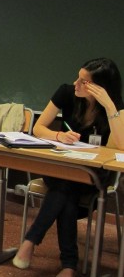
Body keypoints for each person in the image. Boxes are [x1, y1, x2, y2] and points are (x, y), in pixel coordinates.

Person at [13, 58, 124, 277]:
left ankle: (32, 242)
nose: (76, 83)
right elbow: (38, 128)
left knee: (66, 190)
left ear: (100, 88)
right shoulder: (66, 93)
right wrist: (59, 135)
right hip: (63, 167)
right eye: (78, 78)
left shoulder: (116, 108)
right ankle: (68, 266)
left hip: (93, 176)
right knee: (66, 186)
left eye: (84, 82)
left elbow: (121, 146)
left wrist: (110, 105)